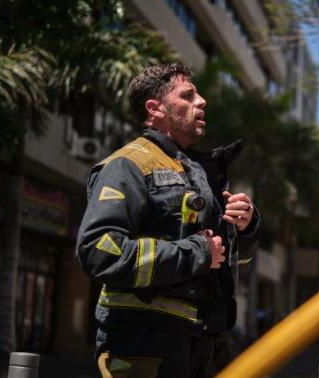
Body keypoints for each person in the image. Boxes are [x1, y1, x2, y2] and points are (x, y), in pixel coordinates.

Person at [75, 62, 259, 378]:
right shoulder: (127, 166)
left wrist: (245, 228)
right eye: (187, 95)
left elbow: (222, 262)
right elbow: (98, 252)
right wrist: (198, 252)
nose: (202, 102)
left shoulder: (197, 172)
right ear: (155, 108)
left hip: (205, 348)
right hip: (142, 348)